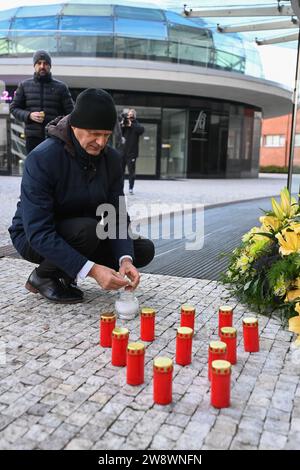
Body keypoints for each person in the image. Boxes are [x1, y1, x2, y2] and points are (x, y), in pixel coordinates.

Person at [8, 88, 155, 304]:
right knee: (87, 230)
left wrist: (125, 259)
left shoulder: (112, 160)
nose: (101, 142)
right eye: (94, 134)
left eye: (106, 135)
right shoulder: (42, 158)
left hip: (85, 232)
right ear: (75, 125)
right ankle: (43, 276)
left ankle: (69, 271)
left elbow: (116, 215)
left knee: (142, 250)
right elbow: (38, 231)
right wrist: (93, 270)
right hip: (34, 235)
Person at [10, 49, 74, 154]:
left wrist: (59, 126)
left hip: (54, 137)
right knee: (34, 168)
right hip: (32, 137)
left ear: (50, 66)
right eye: (39, 63)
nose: (42, 66)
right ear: (34, 66)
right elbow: (13, 108)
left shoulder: (61, 87)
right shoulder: (24, 85)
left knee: (52, 167)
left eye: (45, 63)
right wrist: (29, 115)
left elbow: (71, 113)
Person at [120, 108, 144, 194]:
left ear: (134, 116)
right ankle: (120, 188)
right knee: (120, 172)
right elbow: (118, 132)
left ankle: (130, 188)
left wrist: (131, 125)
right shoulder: (125, 124)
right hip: (123, 153)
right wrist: (122, 124)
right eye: (128, 115)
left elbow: (141, 130)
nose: (129, 117)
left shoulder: (136, 125)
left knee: (131, 172)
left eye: (131, 115)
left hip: (132, 153)